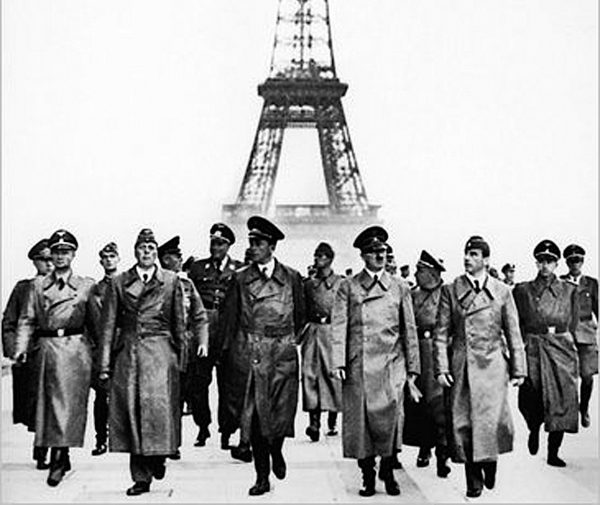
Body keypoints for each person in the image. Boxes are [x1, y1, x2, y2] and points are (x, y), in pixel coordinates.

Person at [434, 235, 526, 498]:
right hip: (462, 363)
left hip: (493, 364)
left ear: (486, 260)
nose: (467, 258)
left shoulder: (502, 291)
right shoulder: (451, 290)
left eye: (474, 254)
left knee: (491, 420)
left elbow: (513, 331)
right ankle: (472, 478)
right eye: (466, 253)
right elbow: (441, 333)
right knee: (464, 422)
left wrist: (518, 369)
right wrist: (442, 368)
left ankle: (490, 462)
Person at [331, 226, 420, 497]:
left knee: (391, 420)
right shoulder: (348, 286)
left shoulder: (400, 287)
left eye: (382, 251)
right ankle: (367, 474)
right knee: (361, 425)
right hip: (359, 364)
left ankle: (389, 471)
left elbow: (409, 329)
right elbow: (339, 326)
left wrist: (413, 368)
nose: (380, 256)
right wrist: (338, 362)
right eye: (373, 252)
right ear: (363, 256)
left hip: (391, 364)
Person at [220, 216, 305, 496]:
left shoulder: (292, 277)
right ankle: (262, 476)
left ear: (272, 246)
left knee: (281, 414)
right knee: (256, 419)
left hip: (282, 353)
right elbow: (230, 318)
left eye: (258, 243)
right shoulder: (240, 278)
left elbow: (301, 316)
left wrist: (287, 341)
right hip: (253, 352)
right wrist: (229, 354)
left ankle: (276, 449)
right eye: (251, 242)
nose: (252, 247)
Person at [98, 228, 185, 496]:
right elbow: (108, 326)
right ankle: (140, 477)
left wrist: (182, 360)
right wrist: (104, 365)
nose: (146, 252)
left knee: (159, 412)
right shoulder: (119, 282)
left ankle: (159, 456)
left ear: (156, 253)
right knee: (133, 414)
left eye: (151, 248)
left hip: (161, 355)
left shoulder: (170, 281)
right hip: (131, 355)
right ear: (135, 251)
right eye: (142, 248)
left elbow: (179, 323)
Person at [14, 230, 96, 487]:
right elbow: (27, 319)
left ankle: (59, 458)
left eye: (66, 252)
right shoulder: (37, 286)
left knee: (69, 408)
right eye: (57, 252)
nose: (61, 256)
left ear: (74, 255)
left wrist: (101, 357)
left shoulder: (86, 286)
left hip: (75, 351)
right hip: (46, 350)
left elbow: (97, 323)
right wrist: (20, 348)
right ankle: (60, 453)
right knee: (49, 407)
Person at [513, 240, 579, 467]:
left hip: (560, 347)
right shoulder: (523, 290)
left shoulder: (569, 290)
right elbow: (516, 323)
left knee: (562, 399)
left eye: (550, 261)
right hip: (533, 347)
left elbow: (574, 323)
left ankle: (553, 452)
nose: (545, 265)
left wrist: (567, 344)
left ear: (557, 264)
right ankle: (533, 427)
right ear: (536, 263)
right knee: (531, 395)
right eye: (541, 260)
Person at [187, 223, 247, 457]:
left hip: (228, 329)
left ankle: (227, 430)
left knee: (229, 383)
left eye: (220, 243)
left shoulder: (239, 269)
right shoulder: (197, 268)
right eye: (213, 242)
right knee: (199, 383)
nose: (215, 247)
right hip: (204, 329)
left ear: (228, 246)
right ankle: (202, 426)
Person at [2, 238, 53, 470]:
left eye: (52, 259)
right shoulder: (23, 288)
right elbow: (9, 322)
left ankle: (58, 451)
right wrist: (14, 351)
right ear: (34, 262)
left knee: (58, 403)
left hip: (59, 352)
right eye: (43, 260)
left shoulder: (65, 286)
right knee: (37, 404)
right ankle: (42, 449)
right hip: (31, 355)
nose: (49, 264)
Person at [157, 236, 209, 459]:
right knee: (171, 398)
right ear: (164, 260)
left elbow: (199, 315)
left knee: (193, 392)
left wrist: (203, 341)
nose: (180, 260)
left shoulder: (187, 285)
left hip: (188, 349)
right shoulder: (156, 285)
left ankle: (201, 427)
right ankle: (172, 442)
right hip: (165, 348)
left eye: (179, 256)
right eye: (175, 256)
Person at [403, 250, 451, 478]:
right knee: (419, 406)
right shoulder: (412, 295)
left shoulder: (447, 294)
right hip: (417, 352)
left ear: (432, 273)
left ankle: (443, 454)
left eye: (420, 270)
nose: (415, 274)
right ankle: (424, 447)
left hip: (440, 353)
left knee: (439, 406)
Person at [302, 242, 343, 442]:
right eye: (316, 256)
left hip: (333, 332)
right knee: (310, 375)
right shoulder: (309, 285)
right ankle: (314, 423)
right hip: (313, 331)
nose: (317, 259)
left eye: (321, 256)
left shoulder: (341, 283)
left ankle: (332, 420)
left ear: (329, 259)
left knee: (333, 375)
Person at [88, 241, 120, 457]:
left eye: (112, 257)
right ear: (101, 262)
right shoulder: (95, 290)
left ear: (118, 259)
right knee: (101, 396)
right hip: (101, 348)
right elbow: (90, 320)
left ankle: (121, 436)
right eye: (105, 258)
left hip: (122, 346)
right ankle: (101, 439)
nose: (109, 261)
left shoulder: (126, 285)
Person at [560, 244, 598, 428]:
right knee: (566, 376)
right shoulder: (560, 282)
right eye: (572, 261)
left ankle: (584, 408)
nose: (575, 264)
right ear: (567, 263)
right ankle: (569, 411)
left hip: (587, 332)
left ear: (582, 262)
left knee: (587, 375)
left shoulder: (592, 283)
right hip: (566, 332)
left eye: (579, 260)